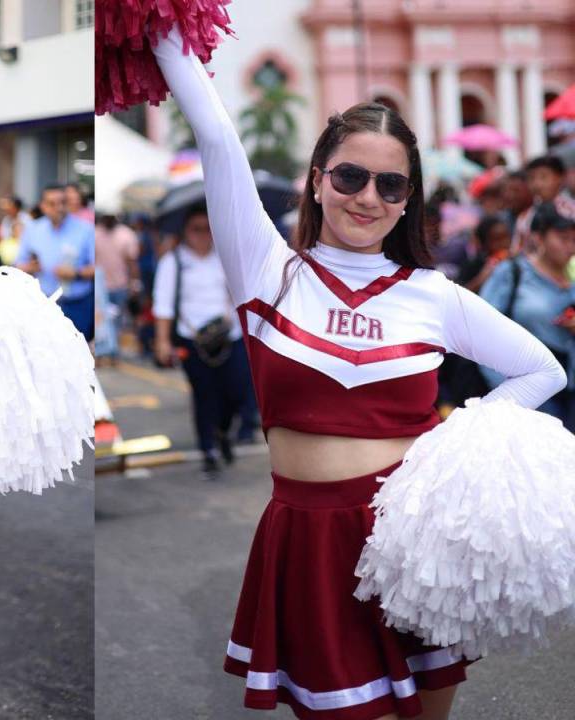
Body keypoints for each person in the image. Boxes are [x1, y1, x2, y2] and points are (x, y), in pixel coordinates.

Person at [153, 24, 564, 720]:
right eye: (349, 175)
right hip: (310, 537)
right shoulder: (267, 269)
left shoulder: (433, 294)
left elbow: (540, 370)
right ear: (318, 180)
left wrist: (457, 450)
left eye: (390, 183)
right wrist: (159, 24)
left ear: (408, 199)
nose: (367, 196)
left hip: (412, 537)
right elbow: (220, 140)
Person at [152, 206, 259, 475]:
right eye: (195, 229)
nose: (202, 235)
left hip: (229, 335)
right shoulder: (173, 261)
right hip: (192, 339)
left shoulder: (225, 258)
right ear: (185, 231)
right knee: (204, 395)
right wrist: (162, 341)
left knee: (237, 392)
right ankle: (207, 447)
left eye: (207, 228)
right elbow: (163, 305)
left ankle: (222, 431)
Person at [480, 203, 575, 430]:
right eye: (563, 238)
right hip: (524, 394)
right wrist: (508, 396)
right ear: (538, 237)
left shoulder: (572, 277)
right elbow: (481, 332)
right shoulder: (513, 273)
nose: (571, 247)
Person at [16, 184, 96, 340]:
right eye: (52, 203)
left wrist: (76, 273)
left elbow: (98, 268)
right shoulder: (33, 229)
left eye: (63, 202)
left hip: (76, 304)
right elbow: (18, 264)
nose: (59, 208)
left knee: (76, 355)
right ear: (43, 206)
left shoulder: (86, 230)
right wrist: (29, 267)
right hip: (41, 304)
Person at [512, 155, 575, 254]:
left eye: (543, 177)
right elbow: (517, 251)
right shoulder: (525, 217)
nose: (537, 184)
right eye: (532, 178)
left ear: (560, 178)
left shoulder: (570, 210)